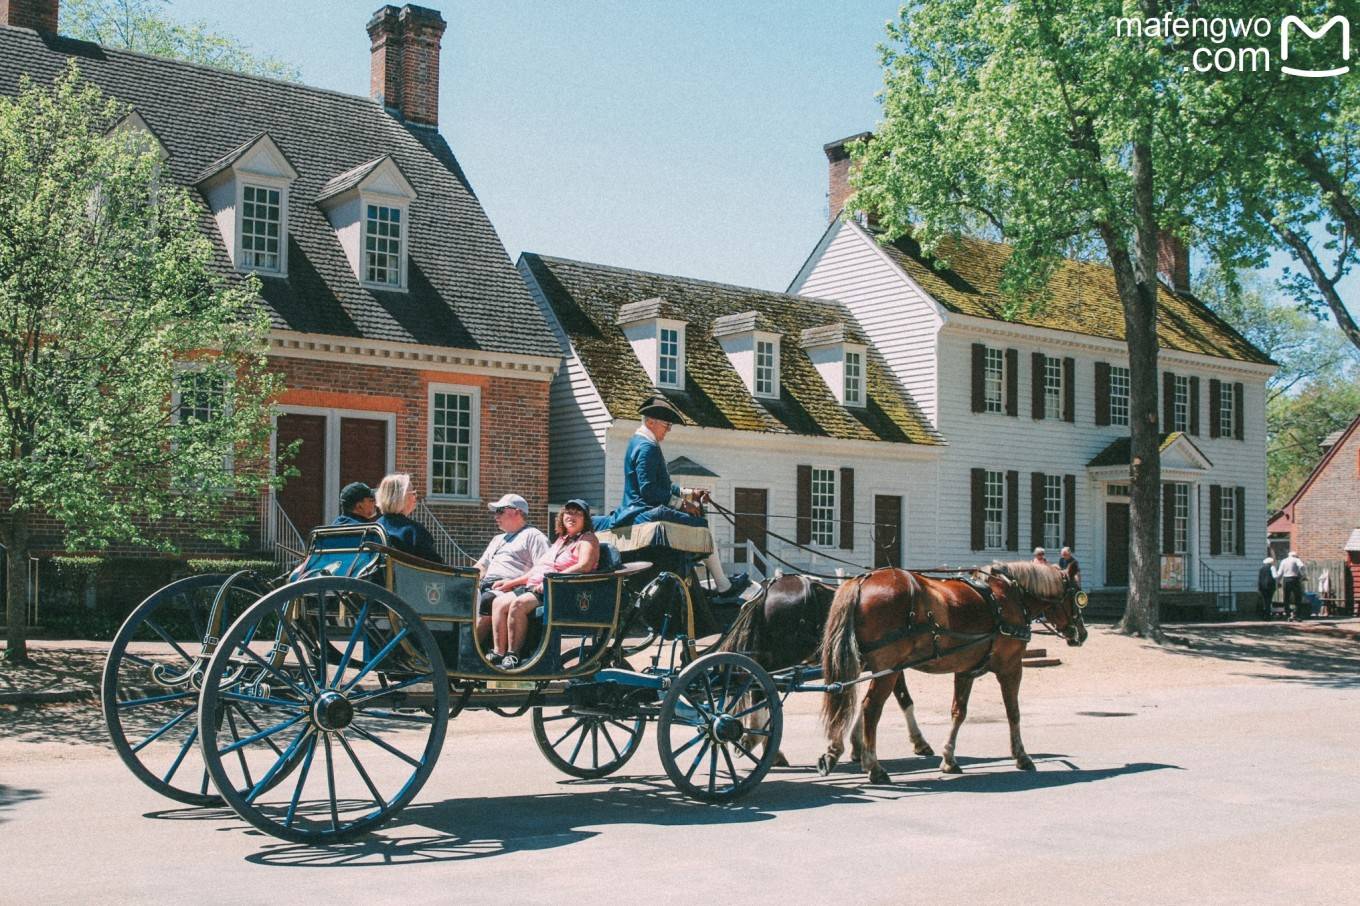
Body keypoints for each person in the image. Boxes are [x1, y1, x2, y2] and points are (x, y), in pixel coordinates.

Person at [594, 395, 748, 604]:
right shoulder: (647, 447)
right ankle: (723, 585)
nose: (669, 429)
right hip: (641, 510)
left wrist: (690, 493)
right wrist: (682, 504)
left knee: (695, 516)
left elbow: (662, 487)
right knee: (700, 524)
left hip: (639, 507)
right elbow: (649, 491)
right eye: (667, 424)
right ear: (651, 422)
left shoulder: (642, 443)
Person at [487, 498, 599, 668]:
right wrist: (511, 582)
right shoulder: (562, 540)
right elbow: (539, 568)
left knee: (518, 605)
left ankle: (513, 655)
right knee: (498, 603)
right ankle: (498, 653)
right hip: (538, 587)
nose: (571, 516)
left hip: (561, 590)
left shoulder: (588, 539)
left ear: (585, 519)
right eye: (568, 512)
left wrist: (551, 579)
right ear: (562, 516)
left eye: (578, 513)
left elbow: (584, 565)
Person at [473, 493, 549, 647]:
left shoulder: (533, 536)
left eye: (500, 511)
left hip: (512, 589)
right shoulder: (497, 539)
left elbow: (543, 569)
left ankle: (470, 651)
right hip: (486, 584)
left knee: (487, 599)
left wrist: (510, 583)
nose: (496, 516)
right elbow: (481, 566)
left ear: (517, 512)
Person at [375, 473, 442, 563]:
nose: (416, 497)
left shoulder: (374, 527)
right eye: (413, 493)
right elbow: (437, 567)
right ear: (402, 497)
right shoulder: (414, 531)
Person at [1277, 550, 1306, 621]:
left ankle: (1288, 615)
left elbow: (1280, 572)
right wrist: (1303, 575)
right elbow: (1302, 566)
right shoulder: (1296, 559)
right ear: (1295, 555)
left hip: (1286, 579)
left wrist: (1278, 581)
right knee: (1297, 597)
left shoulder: (1283, 561)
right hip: (1294, 579)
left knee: (1286, 597)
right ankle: (1297, 615)